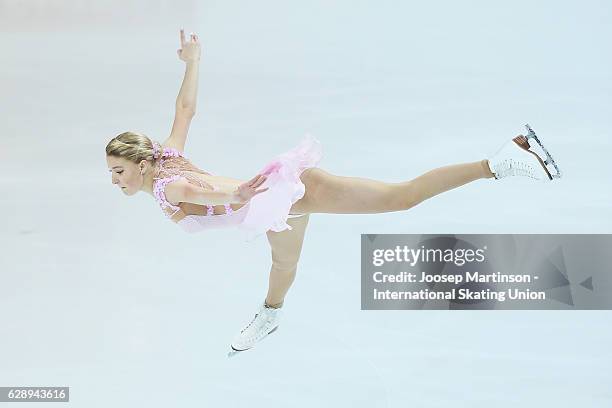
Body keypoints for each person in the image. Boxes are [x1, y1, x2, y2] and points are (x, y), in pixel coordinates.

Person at [105, 29, 562, 355]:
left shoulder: (168, 186)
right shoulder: (167, 156)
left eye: (118, 170)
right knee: (284, 262)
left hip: (286, 196)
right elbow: (185, 111)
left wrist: (241, 195)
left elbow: (203, 195)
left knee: (400, 198)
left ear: (141, 166)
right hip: (277, 208)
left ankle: (501, 161)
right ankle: (271, 313)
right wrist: (194, 63)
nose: (115, 179)